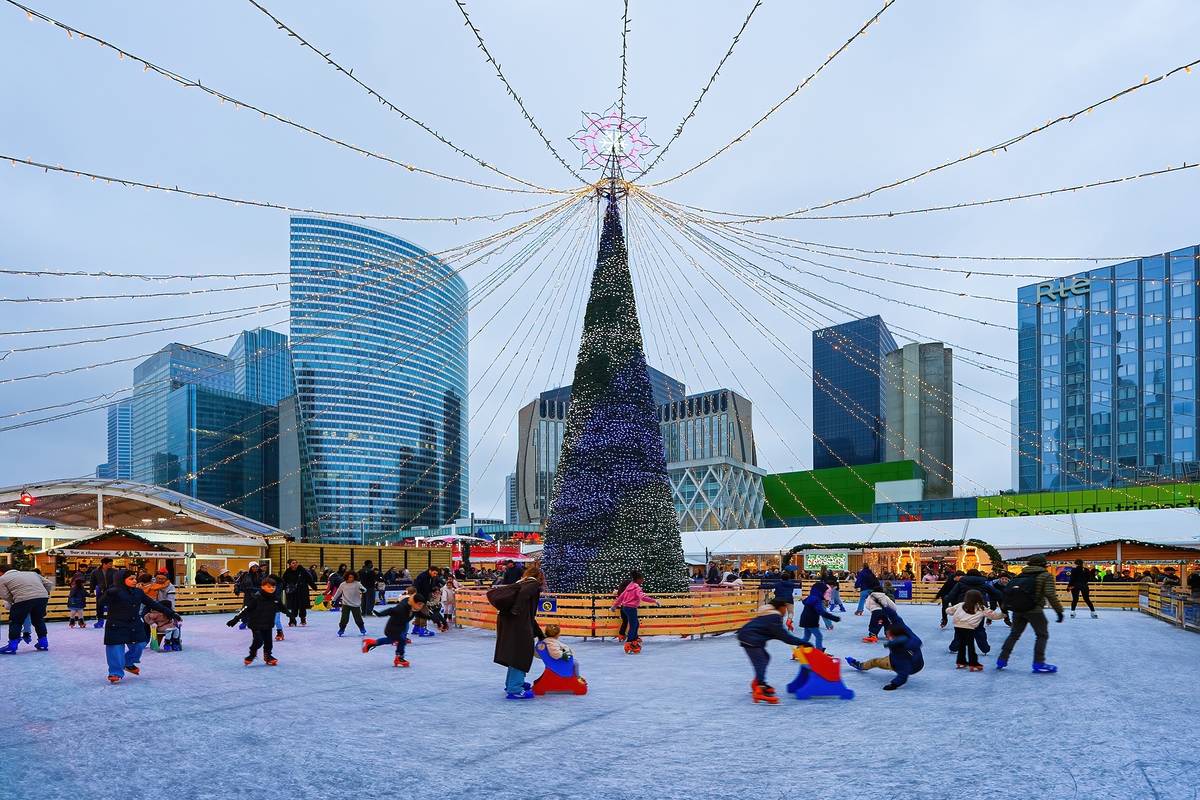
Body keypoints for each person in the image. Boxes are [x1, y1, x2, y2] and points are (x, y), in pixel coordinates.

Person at [101, 572, 180, 682]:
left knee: (140, 644)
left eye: (135, 578)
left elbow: (153, 604)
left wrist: (171, 613)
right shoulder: (114, 592)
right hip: (116, 624)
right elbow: (101, 603)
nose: (135, 581)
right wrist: (107, 594)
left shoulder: (138, 592)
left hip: (133, 623)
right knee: (115, 649)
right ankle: (115, 672)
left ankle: (128, 662)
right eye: (131, 579)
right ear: (121, 579)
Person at [996, 554, 1064, 673]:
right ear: (1043, 564)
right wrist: (1059, 611)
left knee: (1014, 635)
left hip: (1018, 610)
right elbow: (1050, 595)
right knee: (1042, 635)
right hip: (1034, 610)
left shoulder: (1020, 575)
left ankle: (1002, 659)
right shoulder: (1045, 575)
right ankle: (1039, 662)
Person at [737, 598, 806, 704]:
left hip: (748, 637)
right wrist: (802, 642)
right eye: (785, 608)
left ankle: (758, 683)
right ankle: (760, 689)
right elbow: (784, 636)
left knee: (765, 658)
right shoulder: (774, 617)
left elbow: (778, 634)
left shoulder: (769, 615)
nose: (786, 611)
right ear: (780, 607)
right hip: (750, 639)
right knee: (761, 661)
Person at [492, 565, 544, 699]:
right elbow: (524, 596)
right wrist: (516, 609)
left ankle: (511, 683)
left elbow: (529, 616)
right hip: (518, 625)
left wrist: (540, 634)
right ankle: (515, 688)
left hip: (509, 623)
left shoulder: (520, 583)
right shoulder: (532, 584)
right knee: (521, 655)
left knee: (514, 654)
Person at [845, 609, 924, 691]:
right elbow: (897, 619)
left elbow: (904, 672)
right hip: (913, 661)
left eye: (888, 635)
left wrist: (894, 684)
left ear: (894, 636)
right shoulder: (906, 632)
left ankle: (860, 666)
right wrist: (884, 607)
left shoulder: (902, 653)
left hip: (909, 666)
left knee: (875, 662)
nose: (887, 636)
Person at [227, 576, 286, 666]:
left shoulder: (275, 599)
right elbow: (245, 609)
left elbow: (283, 608)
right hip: (256, 623)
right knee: (258, 640)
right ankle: (252, 654)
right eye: (269, 586)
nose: (272, 588)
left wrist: (291, 616)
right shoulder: (256, 598)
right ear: (262, 586)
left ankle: (268, 656)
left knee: (268, 641)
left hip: (268, 623)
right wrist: (235, 619)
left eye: (273, 587)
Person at [363, 593, 429, 667]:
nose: (421, 606)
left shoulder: (413, 607)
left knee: (391, 640)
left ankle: (371, 643)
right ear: (414, 602)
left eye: (421, 605)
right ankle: (399, 658)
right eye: (419, 604)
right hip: (392, 628)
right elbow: (391, 610)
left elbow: (419, 614)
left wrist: (431, 617)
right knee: (402, 640)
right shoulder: (402, 608)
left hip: (399, 628)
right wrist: (380, 614)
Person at [0, 564, 53, 653]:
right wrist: (44, 593)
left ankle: (12, 645)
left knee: (16, 621)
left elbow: (4, 595)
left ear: (1, 572)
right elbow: (49, 584)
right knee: (38, 620)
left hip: (22, 598)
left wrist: (15, 600)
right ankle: (43, 643)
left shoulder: (2, 579)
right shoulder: (32, 574)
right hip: (42, 597)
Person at [947, 590, 1005, 671]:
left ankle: (961, 662)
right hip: (970, 628)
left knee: (962, 645)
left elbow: (949, 610)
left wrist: (949, 610)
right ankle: (973, 663)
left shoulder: (961, 605)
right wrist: (1003, 614)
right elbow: (993, 616)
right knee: (971, 647)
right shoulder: (981, 608)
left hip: (958, 627)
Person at [613, 570, 660, 654]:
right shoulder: (636, 587)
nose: (643, 580)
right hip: (631, 608)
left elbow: (621, 596)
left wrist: (614, 606)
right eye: (642, 579)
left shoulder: (629, 586)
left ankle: (634, 640)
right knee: (634, 625)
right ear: (638, 579)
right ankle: (629, 642)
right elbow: (643, 597)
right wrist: (654, 601)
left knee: (635, 624)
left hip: (625, 607)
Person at [797, 580, 840, 650]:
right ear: (821, 591)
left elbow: (805, 602)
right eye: (824, 591)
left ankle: (798, 650)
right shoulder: (817, 599)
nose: (825, 593)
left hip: (805, 619)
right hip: (811, 621)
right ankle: (819, 651)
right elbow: (821, 612)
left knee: (806, 637)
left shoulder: (811, 596)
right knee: (819, 636)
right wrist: (834, 618)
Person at [280, 559, 317, 627]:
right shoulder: (287, 572)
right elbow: (283, 582)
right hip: (292, 592)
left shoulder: (302, 570)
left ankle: (303, 619)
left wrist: (314, 587)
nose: (295, 564)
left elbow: (309, 579)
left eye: (296, 563)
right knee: (293, 607)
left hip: (302, 591)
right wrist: (281, 588)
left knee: (302, 606)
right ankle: (292, 620)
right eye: (293, 563)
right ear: (289, 564)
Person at [331, 571, 367, 637]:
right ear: (346, 577)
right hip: (345, 604)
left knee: (358, 618)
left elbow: (364, 589)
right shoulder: (343, 584)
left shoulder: (357, 584)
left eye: (352, 577)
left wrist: (363, 590)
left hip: (355, 604)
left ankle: (362, 627)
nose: (351, 578)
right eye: (349, 577)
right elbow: (338, 592)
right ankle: (341, 629)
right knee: (344, 618)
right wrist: (334, 600)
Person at [90, 557, 120, 629]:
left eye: (112, 563)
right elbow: (92, 582)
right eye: (110, 563)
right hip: (100, 591)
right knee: (99, 606)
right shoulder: (95, 572)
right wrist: (91, 591)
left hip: (112, 591)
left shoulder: (115, 571)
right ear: (104, 564)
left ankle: (112, 621)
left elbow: (118, 581)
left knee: (112, 605)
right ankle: (100, 621)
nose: (111, 565)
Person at [233, 562, 264, 629]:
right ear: (250, 568)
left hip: (257, 594)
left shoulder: (261, 575)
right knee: (246, 608)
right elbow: (237, 582)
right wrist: (236, 588)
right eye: (253, 567)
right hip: (248, 594)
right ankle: (244, 621)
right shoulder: (245, 574)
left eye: (256, 567)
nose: (255, 568)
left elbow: (264, 584)